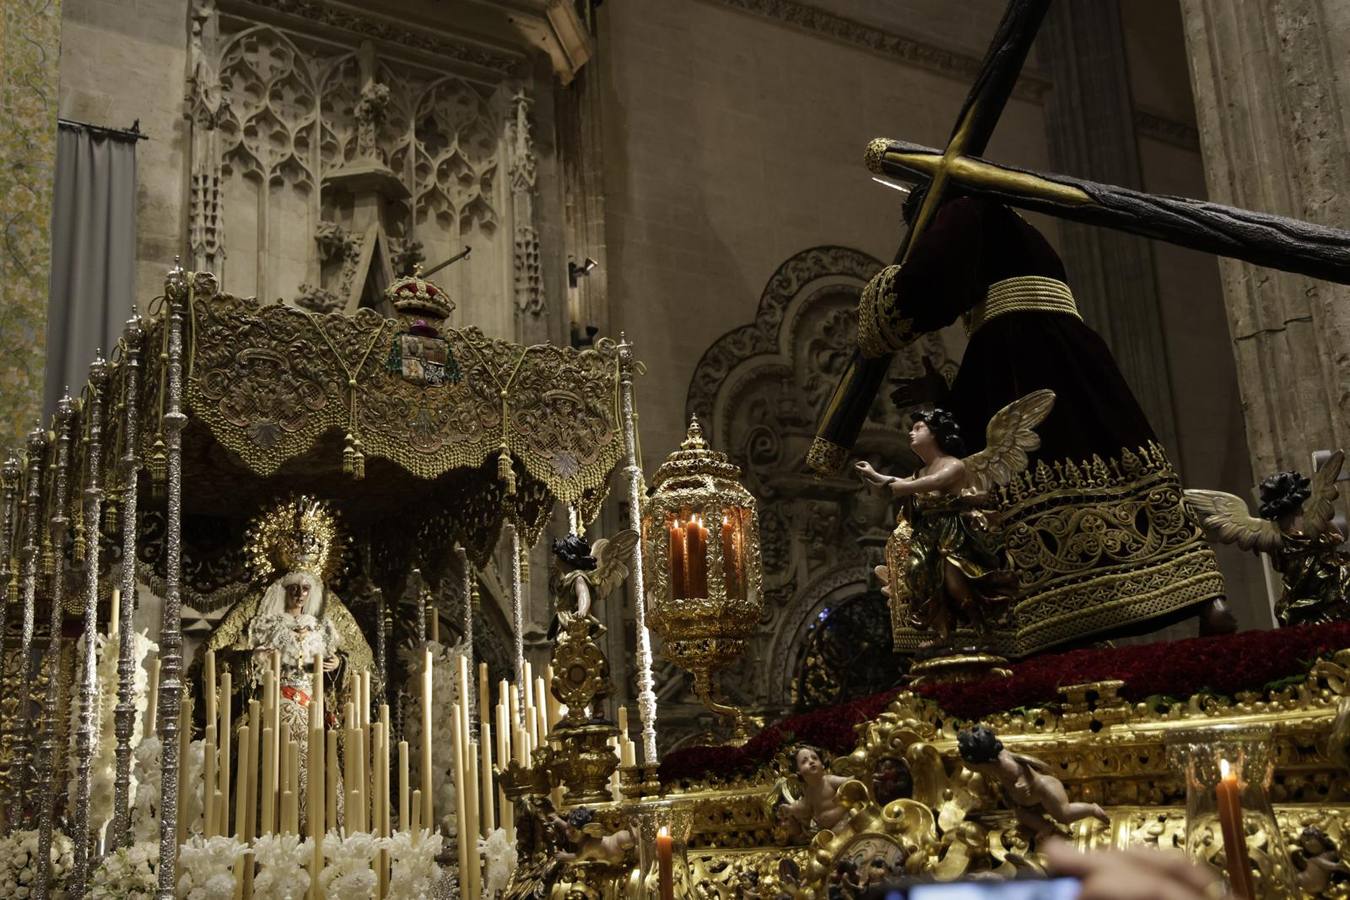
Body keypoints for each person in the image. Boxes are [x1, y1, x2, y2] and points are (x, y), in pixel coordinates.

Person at [857, 189, 1232, 652]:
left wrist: (880, 308)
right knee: (1123, 462)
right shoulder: (1018, 229)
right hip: (1074, 356)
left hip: (1020, 358)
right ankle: (1205, 598)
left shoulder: (964, 209)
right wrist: (947, 396)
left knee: (1018, 484)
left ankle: (1042, 620)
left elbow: (926, 287)